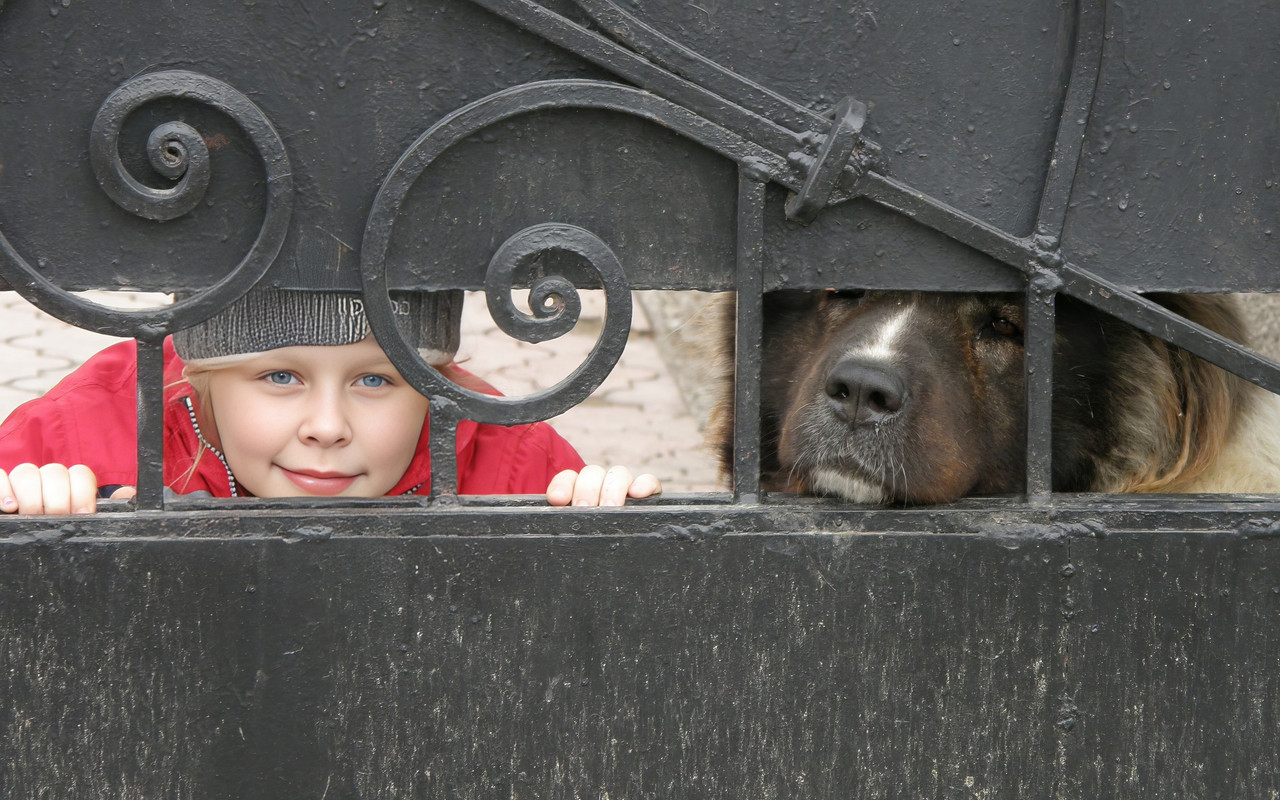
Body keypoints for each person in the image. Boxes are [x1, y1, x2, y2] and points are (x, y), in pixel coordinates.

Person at [0, 288, 660, 514]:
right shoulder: (83, 434)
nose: (325, 428)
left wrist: (597, 524)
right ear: (201, 378)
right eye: (280, 377)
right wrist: (32, 515)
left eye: (375, 380)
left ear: (435, 387)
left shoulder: (507, 460)